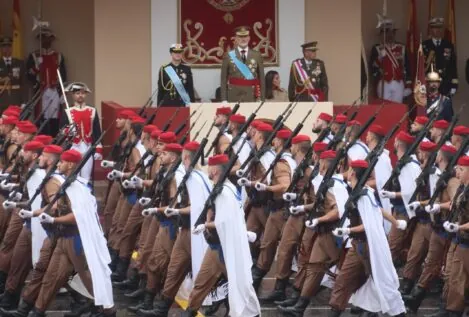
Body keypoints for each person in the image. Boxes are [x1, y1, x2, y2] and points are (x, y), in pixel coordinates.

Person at [183, 154, 261, 317]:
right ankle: (190, 312)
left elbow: (224, 222)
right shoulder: (222, 188)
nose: (208, 171)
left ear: (215, 170)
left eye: (210, 168)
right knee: (202, 284)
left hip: (223, 248)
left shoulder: (225, 192)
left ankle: (249, 313)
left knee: (240, 284)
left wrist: (205, 225)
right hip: (217, 246)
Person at [329, 160, 406, 317]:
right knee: (353, 281)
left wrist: (346, 230)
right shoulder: (362, 192)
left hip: (365, 246)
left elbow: (370, 224)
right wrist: (396, 222)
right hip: (360, 245)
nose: (348, 172)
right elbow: (379, 211)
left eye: (350, 169)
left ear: (353, 173)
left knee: (376, 283)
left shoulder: (363, 195)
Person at [26, 27, 67, 136]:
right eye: (43, 38)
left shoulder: (58, 56)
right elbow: (29, 75)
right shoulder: (34, 55)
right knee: (41, 116)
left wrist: (63, 92)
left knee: (55, 116)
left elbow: (63, 76)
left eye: (48, 39)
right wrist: (36, 67)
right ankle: (42, 137)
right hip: (41, 90)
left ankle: (54, 137)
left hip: (54, 90)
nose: (46, 41)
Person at [59, 82, 103, 182]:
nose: (80, 95)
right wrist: (68, 131)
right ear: (73, 95)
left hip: (88, 147)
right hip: (73, 147)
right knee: (73, 176)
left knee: (86, 178)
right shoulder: (67, 112)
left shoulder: (92, 111)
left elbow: (97, 132)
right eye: (77, 93)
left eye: (83, 93)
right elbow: (61, 131)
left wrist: (98, 149)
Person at [370, 17, 411, 103]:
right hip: (384, 82)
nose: (389, 35)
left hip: (398, 82)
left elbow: (407, 67)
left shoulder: (401, 47)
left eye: (391, 32)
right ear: (382, 34)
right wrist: (379, 58)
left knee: (397, 108)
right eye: (386, 32)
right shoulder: (377, 48)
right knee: (384, 108)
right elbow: (373, 67)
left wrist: (408, 85)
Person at [220, 26, 265, 102]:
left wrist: (262, 98)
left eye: (245, 36)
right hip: (234, 95)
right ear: (235, 38)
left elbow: (262, 78)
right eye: (240, 36)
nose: (243, 39)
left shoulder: (257, 55)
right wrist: (224, 99)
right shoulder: (228, 55)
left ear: (249, 38)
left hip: (252, 95)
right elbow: (223, 79)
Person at [423, 17, 458, 97]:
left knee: (445, 107)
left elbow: (452, 65)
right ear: (431, 29)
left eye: (440, 27)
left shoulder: (448, 45)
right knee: (431, 107)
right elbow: (421, 66)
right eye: (435, 27)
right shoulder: (425, 45)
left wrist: (454, 84)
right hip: (430, 82)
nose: (438, 30)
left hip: (446, 82)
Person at [0, 37, 24, 112]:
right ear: (1, 48)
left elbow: (23, 83)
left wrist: (24, 101)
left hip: (16, 100)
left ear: (12, 48)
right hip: (2, 100)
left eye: (9, 46)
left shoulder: (19, 63)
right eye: (4, 46)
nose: (7, 48)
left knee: (15, 123)